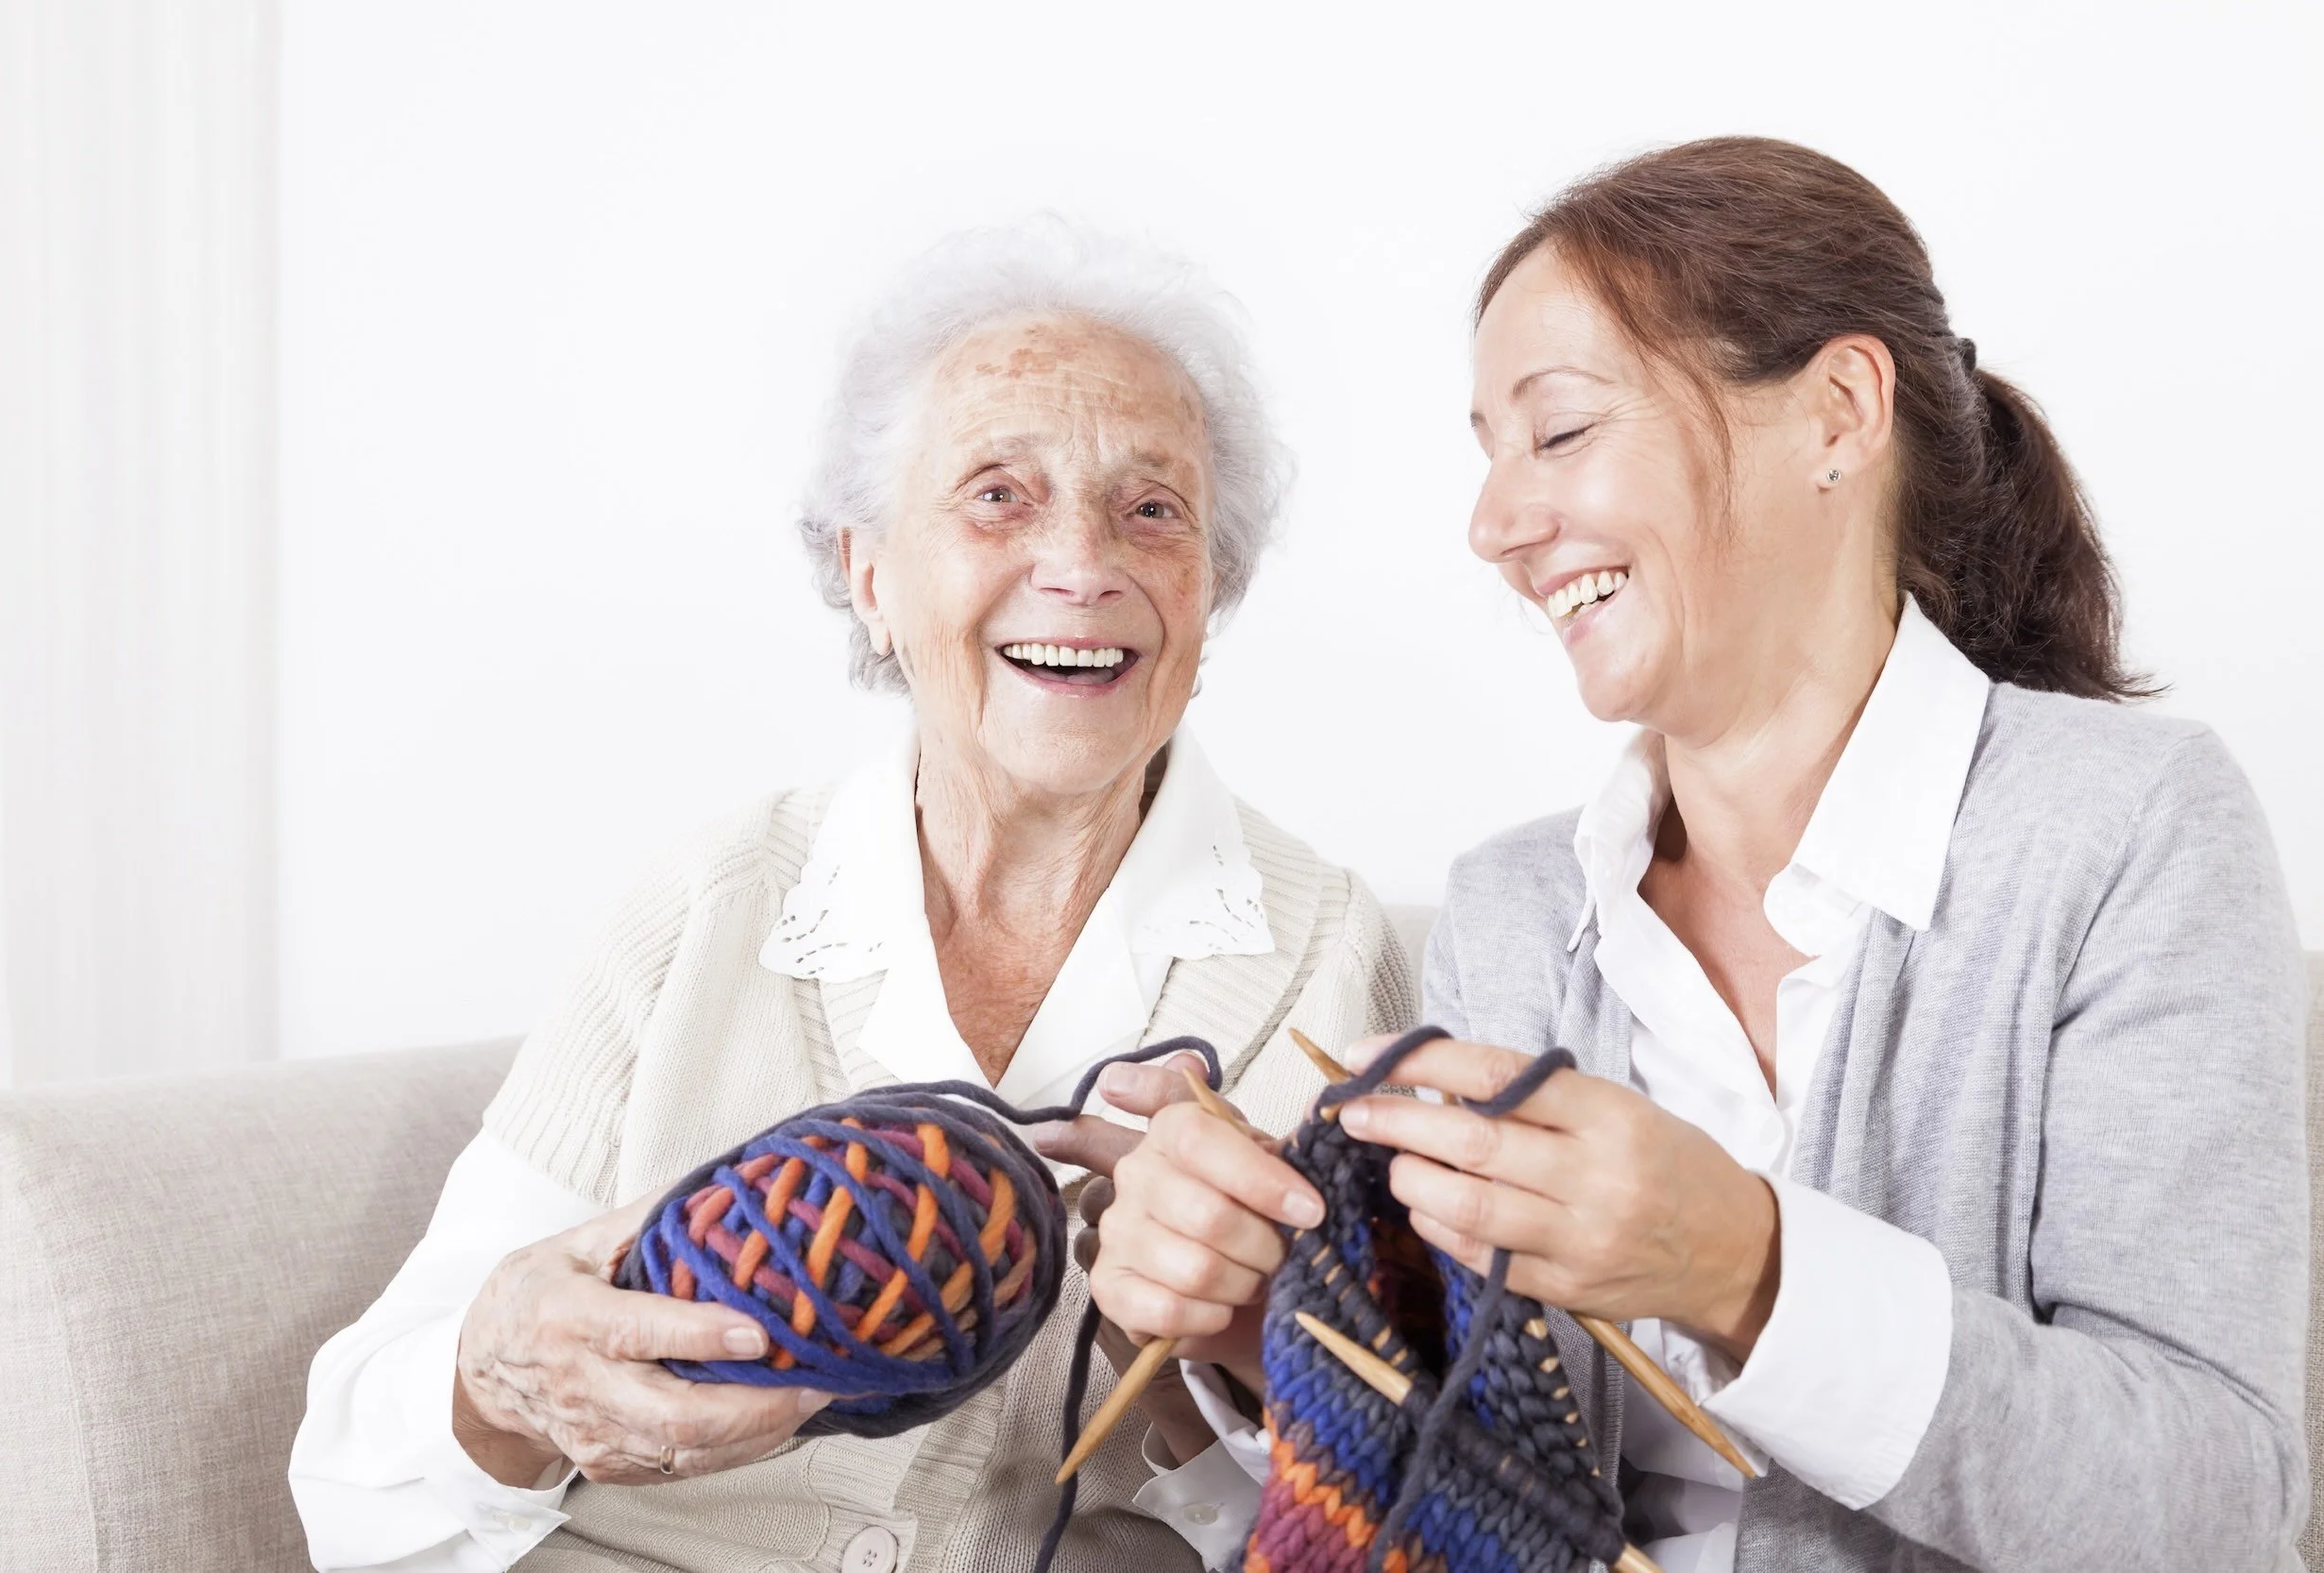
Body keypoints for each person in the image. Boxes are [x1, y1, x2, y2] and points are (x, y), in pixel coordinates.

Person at [1086, 137, 2310, 1572]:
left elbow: (2219, 1502)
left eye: (1558, 432)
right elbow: (1484, 1491)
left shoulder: (2127, 833)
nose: (1494, 525)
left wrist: (1747, 1262)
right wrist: (1263, 1325)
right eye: (1486, 456)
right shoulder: (1517, 911)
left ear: (1841, 412)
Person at [289, 219, 1416, 1573]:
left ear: (1210, 588)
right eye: (998, 493)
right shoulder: (711, 902)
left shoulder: (1327, 958)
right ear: (868, 573)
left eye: (1152, 508)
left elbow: (1405, 1510)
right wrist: (505, 1376)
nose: (1081, 563)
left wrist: (1208, 1357)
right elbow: (354, 1482)